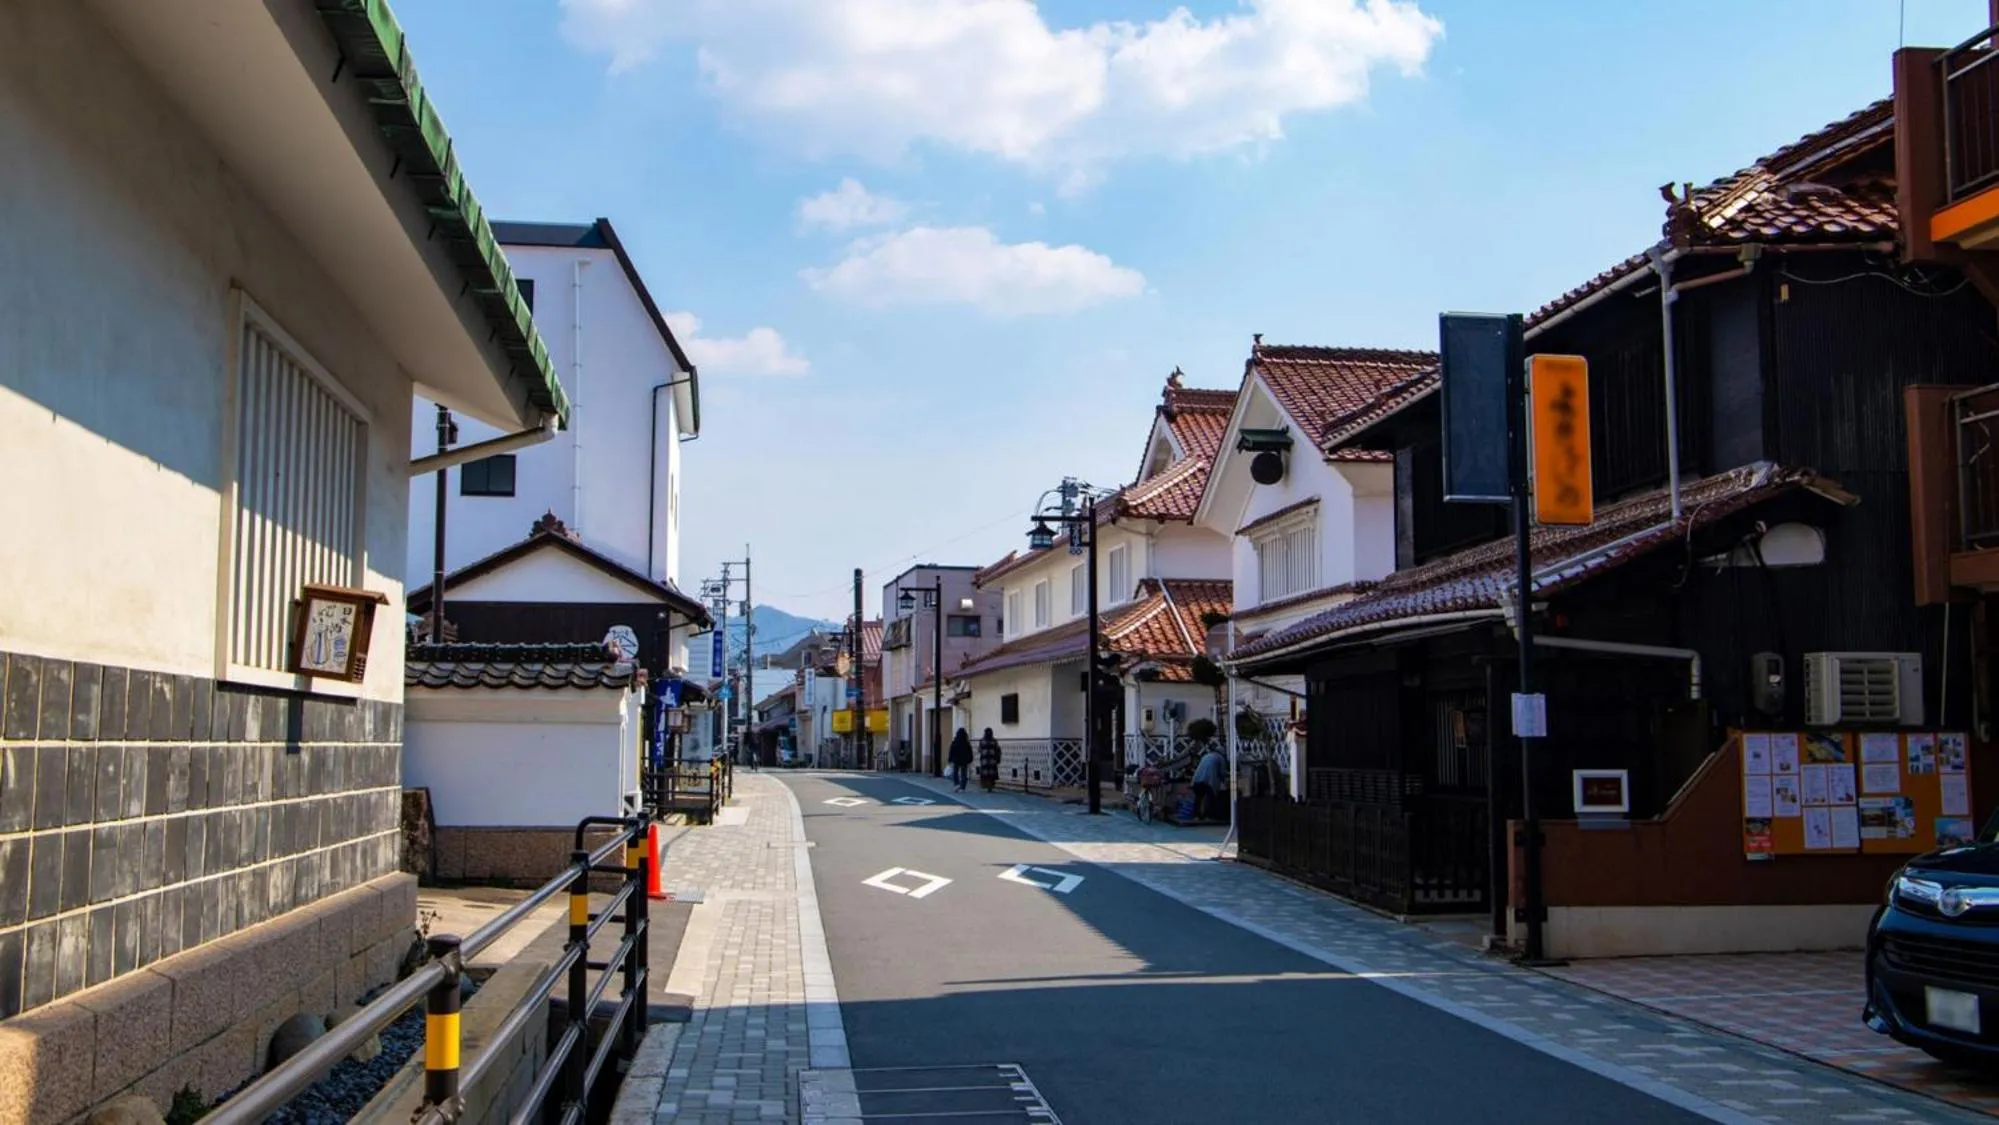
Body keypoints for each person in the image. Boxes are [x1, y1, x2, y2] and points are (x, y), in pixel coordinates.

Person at [1191, 743, 1227, 821]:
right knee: (1211, 798)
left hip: (1197, 779)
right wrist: (1225, 781)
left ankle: (1196, 816)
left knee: (1198, 798)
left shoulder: (1206, 756)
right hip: (1209, 780)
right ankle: (1209, 816)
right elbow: (1223, 772)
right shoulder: (1220, 758)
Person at [976, 729, 1002, 793]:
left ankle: (986, 786)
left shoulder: (982, 741)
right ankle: (990, 787)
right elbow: (998, 750)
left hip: (984, 760)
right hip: (992, 760)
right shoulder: (994, 741)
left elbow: (979, 750)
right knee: (991, 775)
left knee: (985, 774)